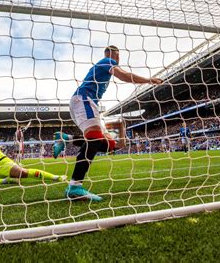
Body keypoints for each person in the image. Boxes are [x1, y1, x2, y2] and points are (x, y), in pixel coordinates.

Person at [54, 45, 163, 201]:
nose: (118, 60)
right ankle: (75, 186)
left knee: (110, 145)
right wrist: (148, 80)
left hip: (85, 102)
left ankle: (67, 138)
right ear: (114, 55)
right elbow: (124, 76)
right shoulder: (107, 61)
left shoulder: (103, 65)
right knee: (96, 138)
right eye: (118, 57)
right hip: (83, 99)